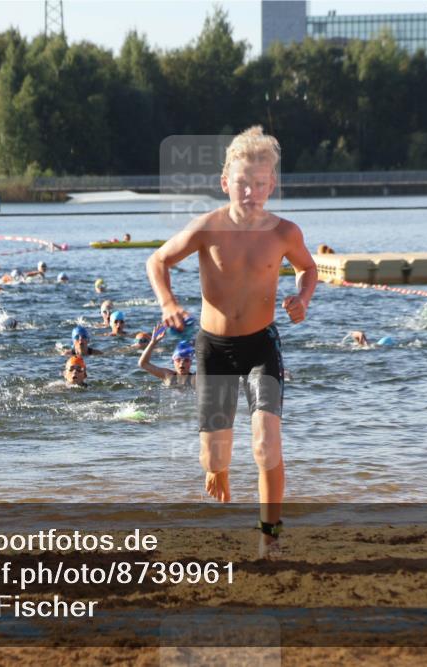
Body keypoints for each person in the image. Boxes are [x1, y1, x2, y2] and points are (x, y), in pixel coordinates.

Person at [145, 125, 317, 558]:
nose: (251, 192)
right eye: (243, 183)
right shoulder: (208, 227)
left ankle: (269, 538)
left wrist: (301, 296)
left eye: (260, 184)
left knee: (266, 443)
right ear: (226, 183)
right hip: (214, 348)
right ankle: (216, 468)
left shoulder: (284, 232)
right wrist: (167, 301)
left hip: (262, 345)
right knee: (215, 459)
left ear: (271, 185)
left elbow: (307, 268)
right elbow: (157, 260)